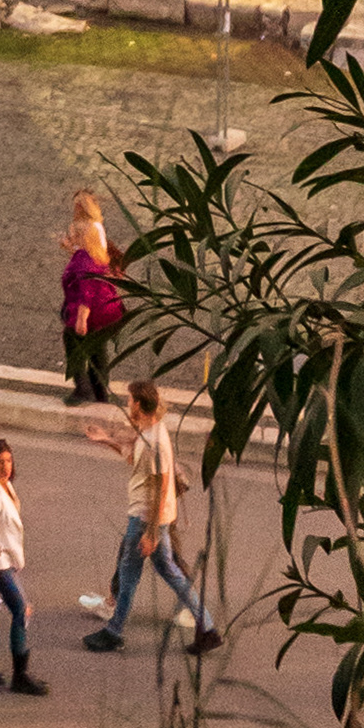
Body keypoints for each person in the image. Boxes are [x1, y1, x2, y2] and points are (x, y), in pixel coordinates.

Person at [81, 379, 221, 657]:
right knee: (169, 571)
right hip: (151, 517)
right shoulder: (151, 431)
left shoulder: (155, 439)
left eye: (129, 400)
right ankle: (206, 627)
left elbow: (160, 485)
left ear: (140, 405)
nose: (126, 405)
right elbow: (135, 459)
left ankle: (114, 632)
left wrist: (151, 532)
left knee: (128, 575)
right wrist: (106, 440)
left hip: (145, 517)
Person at [0, 436, 43, 693]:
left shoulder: (6, 487)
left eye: (8, 460)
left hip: (9, 562)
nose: (6, 466)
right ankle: (20, 675)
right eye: (0, 461)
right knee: (18, 609)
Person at [60, 197, 126, 403]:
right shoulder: (97, 254)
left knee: (73, 341)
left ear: (83, 237)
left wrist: (81, 319)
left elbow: (86, 291)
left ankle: (82, 388)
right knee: (97, 349)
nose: (73, 237)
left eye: (75, 235)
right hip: (109, 312)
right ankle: (101, 393)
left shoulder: (84, 259)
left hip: (93, 313)